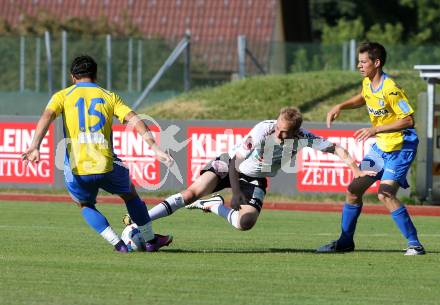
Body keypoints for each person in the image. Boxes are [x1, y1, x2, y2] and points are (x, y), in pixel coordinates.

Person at [124, 107, 375, 232]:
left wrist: (355, 170)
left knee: (245, 223)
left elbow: (338, 149)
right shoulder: (263, 129)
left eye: (284, 132)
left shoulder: (305, 138)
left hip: (255, 179)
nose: (278, 133)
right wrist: (235, 193)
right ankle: (138, 223)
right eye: (278, 127)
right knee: (191, 193)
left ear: (296, 132)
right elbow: (234, 162)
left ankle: (213, 206)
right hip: (229, 166)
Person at [22, 55, 173, 253]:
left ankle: (119, 245)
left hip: (78, 169)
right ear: (95, 75)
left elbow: (47, 116)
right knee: (129, 195)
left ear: (72, 77)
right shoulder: (109, 96)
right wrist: (153, 146)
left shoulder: (63, 95)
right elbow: (133, 118)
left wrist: (35, 145)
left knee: (84, 204)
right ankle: (150, 240)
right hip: (107, 164)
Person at [316, 42, 425, 255]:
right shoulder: (368, 82)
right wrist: (340, 106)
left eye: (363, 61)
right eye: (359, 61)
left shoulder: (391, 89)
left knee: (384, 194)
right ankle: (345, 242)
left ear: (377, 63)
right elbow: (364, 97)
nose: (359, 65)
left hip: (401, 147)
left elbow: (408, 120)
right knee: (353, 190)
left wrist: (375, 129)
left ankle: (414, 244)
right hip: (381, 147)